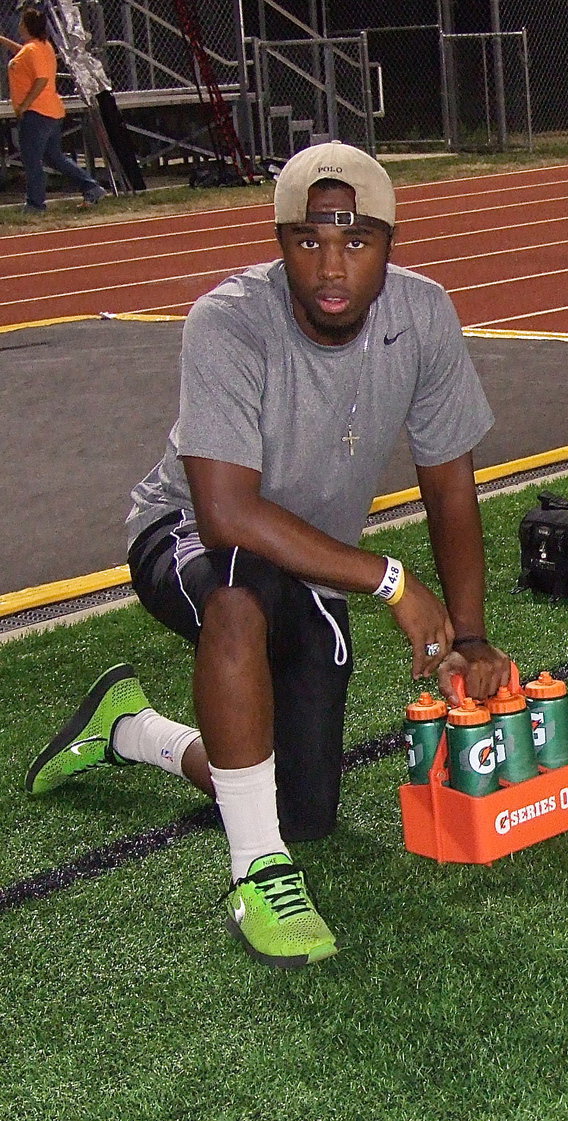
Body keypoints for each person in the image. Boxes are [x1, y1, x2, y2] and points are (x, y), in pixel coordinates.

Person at [25, 141, 511, 968]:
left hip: (308, 560)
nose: (330, 267)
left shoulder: (423, 317)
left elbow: (450, 488)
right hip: (184, 533)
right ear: (280, 241)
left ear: (390, 244)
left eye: (356, 243)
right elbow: (226, 514)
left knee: (301, 805)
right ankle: (255, 871)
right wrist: (392, 582)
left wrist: (467, 634)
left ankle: (133, 729)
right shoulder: (229, 320)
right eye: (307, 241)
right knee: (238, 594)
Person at [2, 6, 107, 213]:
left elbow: (41, 80)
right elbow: (22, 53)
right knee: (54, 157)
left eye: (22, 23)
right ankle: (91, 186)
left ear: (28, 26)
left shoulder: (34, 49)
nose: (19, 26)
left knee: (32, 160)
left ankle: (35, 204)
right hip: (49, 111)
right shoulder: (38, 46)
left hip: (37, 112)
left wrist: (24, 104)